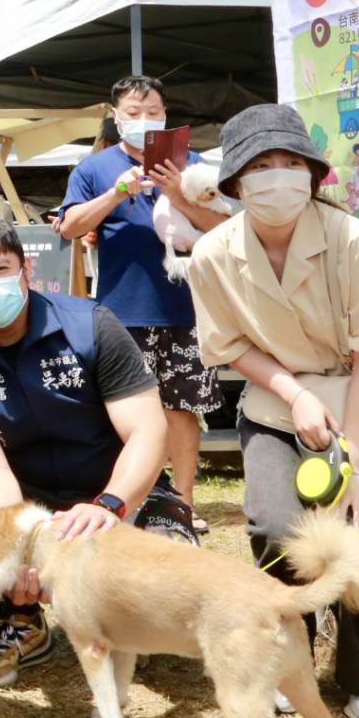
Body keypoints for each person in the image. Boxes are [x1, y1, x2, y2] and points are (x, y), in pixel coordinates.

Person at [187, 104, 359, 718]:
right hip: (276, 403)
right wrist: (294, 395)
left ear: (314, 174)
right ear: (234, 183)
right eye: (261, 166)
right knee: (273, 528)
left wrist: (354, 462)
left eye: (291, 163)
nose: (278, 176)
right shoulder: (210, 254)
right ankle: (291, 658)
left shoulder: (355, 240)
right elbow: (229, 345)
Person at [0, 216, 188, 689]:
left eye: (0, 269)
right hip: (29, 499)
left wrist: (110, 504)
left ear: (26, 269)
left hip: (116, 490)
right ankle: (24, 622)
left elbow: (148, 432)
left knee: (174, 562)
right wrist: (21, 549)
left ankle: (124, 624)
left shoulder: (92, 326)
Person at [59, 76, 229, 532]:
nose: (143, 120)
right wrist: (116, 193)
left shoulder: (195, 165)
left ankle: (184, 503)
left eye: (153, 111)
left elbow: (227, 229)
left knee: (181, 409)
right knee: (123, 409)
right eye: (132, 113)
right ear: (115, 118)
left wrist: (174, 192)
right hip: (119, 313)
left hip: (188, 309)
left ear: (167, 116)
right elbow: (69, 227)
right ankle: (130, 497)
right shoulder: (94, 168)